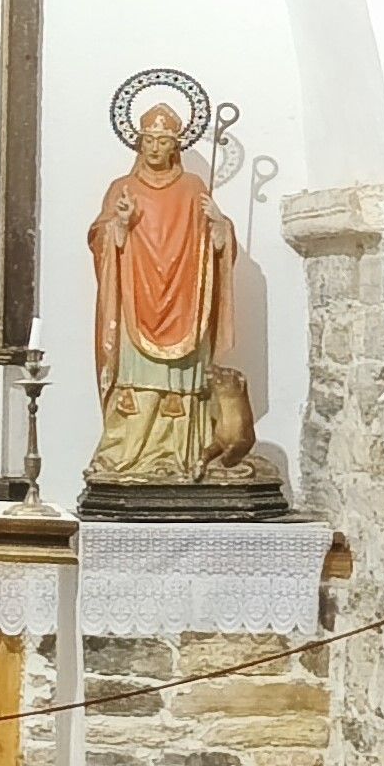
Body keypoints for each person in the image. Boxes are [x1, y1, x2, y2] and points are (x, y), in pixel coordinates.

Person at [87, 102, 241, 482]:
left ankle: (184, 457)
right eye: (148, 140)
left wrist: (220, 228)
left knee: (183, 382)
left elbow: (215, 242)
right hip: (137, 298)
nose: (154, 148)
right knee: (136, 380)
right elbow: (99, 237)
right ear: (138, 143)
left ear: (176, 146)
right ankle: (127, 458)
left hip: (185, 301)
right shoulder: (121, 188)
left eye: (163, 141)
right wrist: (118, 227)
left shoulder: (193, 188)